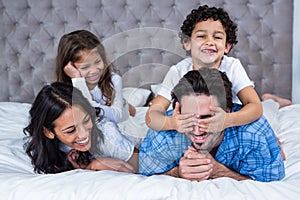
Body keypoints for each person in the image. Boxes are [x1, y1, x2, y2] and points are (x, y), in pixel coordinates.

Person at [139, 68, 285, 182]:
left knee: (269, 110)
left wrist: (217, 171)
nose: (197, 129)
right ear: (178, 110)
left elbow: (270, 182)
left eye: (207, 118)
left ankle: (274, 102)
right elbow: (145, 172)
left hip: (254, 121)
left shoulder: (254, 134)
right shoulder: (164, 132)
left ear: (227, 112)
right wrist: (177, 172)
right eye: (189, 118)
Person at [145, 5, 262, 135]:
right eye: (201, 36)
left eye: (217, 37)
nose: (209, 42)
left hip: (230, 120)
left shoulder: (232, 66)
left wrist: (228, 120)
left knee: (259, 126)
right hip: (194, 125)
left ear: (227, 47)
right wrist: (172, 123)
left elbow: (255, 107)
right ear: (187, 43)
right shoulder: (178, 71)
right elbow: (151, 116)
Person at [23, 82, 138, 174]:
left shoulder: (109, 137)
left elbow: (143, 165)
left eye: (86, 120)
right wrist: (88, 168)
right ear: (48, 132)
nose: (84, 134)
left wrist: (94, 165)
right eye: (71, 130)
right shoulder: (45, 145)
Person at [56, 29, 135, 124]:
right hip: (101, 117)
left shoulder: (114, 80)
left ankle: (127, 106)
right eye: (85, 67)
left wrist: (94, 108)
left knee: (130, 110)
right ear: (70, 68)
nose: (94, 71)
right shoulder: (66, 89)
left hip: (122, 121)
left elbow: (117, 116)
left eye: (97, 62)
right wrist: (77, 80)